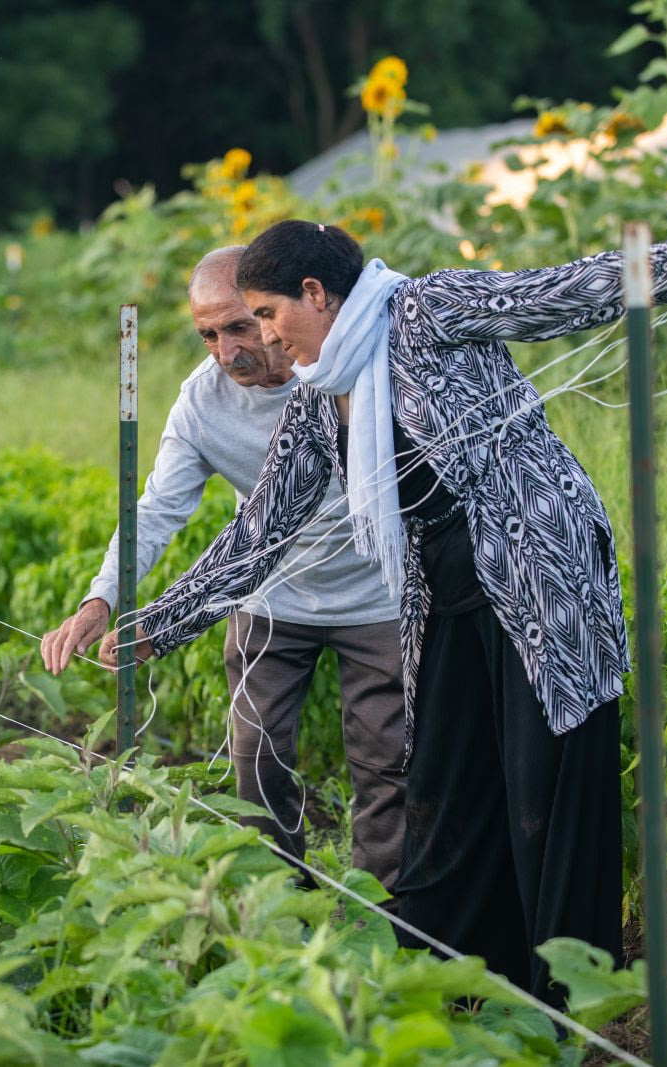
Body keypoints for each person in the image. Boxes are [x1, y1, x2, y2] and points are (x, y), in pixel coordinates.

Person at [101, 217, 667, 1001]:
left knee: (543, 785)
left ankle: (562, 1001)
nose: (262, 337)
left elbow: (566, 292)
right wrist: (158, 624)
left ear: (314, 292)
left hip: (539, 572)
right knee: (447, 780)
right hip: (443, 588)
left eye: (266, 315)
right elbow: (258, 531)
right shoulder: (319, 396)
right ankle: (460, 984)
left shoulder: (427, 311)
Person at [40, 246, 408, 890]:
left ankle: (384, 916)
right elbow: (156, 511)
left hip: (377, 598)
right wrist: (101, 599)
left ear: (278, 311)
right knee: (256, 760)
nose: (226, 351)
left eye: (241, 326)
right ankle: (277, 900)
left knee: (385, 766)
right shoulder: (202, 403)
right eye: (207, 335)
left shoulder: (350, 372)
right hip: (268, 601)